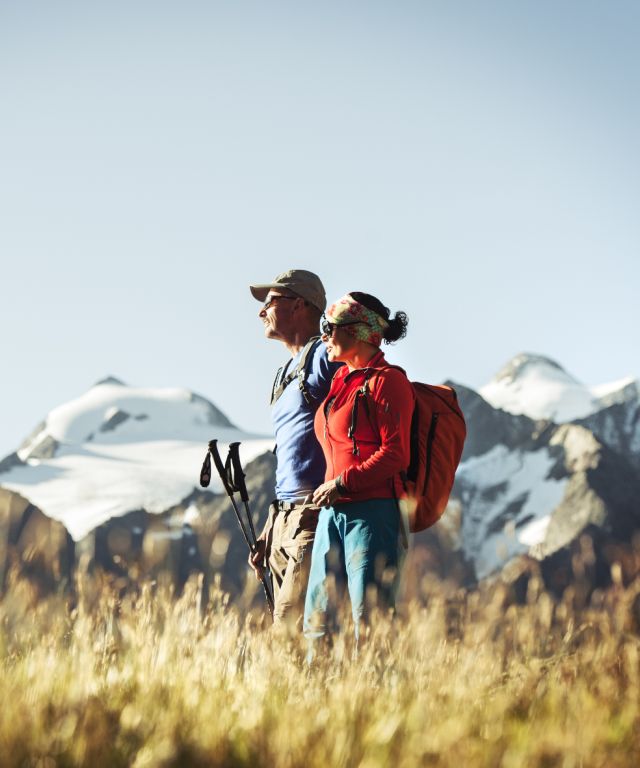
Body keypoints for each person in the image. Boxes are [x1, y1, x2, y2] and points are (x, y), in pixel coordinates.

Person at [303, 291, 414, 646]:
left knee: (369, 621)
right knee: (316, 620)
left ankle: (372, 698)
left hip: (374, 515)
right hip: (332, 514)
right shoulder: (340, 383)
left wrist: (341, 483)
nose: (324, 336)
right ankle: (314, 696)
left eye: (329, 327)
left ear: (359, 331)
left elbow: (396, 453)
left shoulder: (388, 381)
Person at [248, 269, 341, 627]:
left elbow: (352, 367)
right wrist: (270, 527)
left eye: (270, 302)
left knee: (289, 633)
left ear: (299, 304)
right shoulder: (285, 374)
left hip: (311, 518)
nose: (261, 312)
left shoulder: (320, 356)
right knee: (291, 632)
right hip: (283, 521)